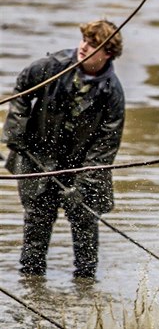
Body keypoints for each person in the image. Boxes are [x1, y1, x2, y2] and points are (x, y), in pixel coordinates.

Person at [1, 19, 125, 280]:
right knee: (36, 226)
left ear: (108, 53)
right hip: (38, 158)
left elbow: (106, 146)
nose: (84, 47)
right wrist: (15, 128)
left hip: (84, 166)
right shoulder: (52, 67)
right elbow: (22, 88)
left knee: (86, 230)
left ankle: (85, 287)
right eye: (84, 40)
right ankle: (32, 285)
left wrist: (83, 184)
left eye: (93, 44)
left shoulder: (113, 92)